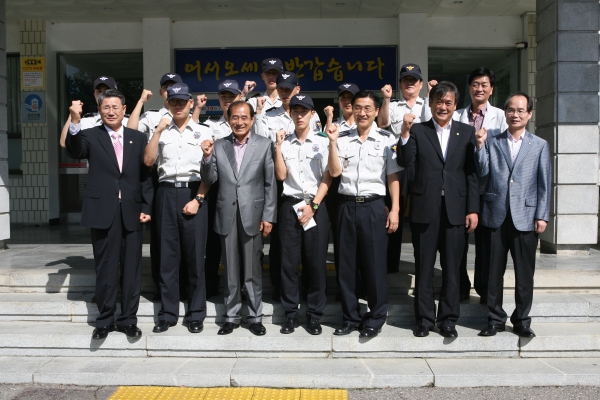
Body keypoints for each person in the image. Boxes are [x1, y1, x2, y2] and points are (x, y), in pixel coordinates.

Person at [65, 89, 152, 340]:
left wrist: (146, 207)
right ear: (100, 110)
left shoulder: (137, 137)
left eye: (115, 107)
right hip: (103, 211)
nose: (111, 111)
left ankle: (128, 320)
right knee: (105, 268)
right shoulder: (90, 135)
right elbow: (75, 150)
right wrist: (74, 120)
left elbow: (145, 176)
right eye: (106, 108)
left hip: (133, 212)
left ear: (125, 110)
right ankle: (104, 320)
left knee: (132, 269)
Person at [397, 81, 479, 338]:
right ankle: (423, 319)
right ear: (429, 103)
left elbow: (471, 174)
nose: (443, 107)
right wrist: (405, 133)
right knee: (423, 267)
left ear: (455, 106)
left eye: (448, 103)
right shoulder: (418, 131)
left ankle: (448, 319)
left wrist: (473, 209)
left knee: (452, 269)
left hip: (456, 209)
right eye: (438, 102)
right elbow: (404, 160)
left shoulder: (466, 133)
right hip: (425, 208)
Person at [425, 68, 508, 303]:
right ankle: (461, 285)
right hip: (460, 190)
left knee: (488, 245)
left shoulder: (501, 117)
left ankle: (485, 289)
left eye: (484, 85)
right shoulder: (457, 114)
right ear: (469, 88)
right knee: (457, 244)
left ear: (491, 88)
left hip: (490, 190)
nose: (479, 89)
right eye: (475, 84)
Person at [475, 92, 551, 338]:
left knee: (524, 273)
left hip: (526, 217)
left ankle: (522, 320)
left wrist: (542, 215)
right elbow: (482, 173)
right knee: (493, 271)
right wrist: (479, 146)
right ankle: (495, 318)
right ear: (504, 113)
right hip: (495, 214)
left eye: (520, 110)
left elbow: (544, 183)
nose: (515, 114)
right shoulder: (492, 141)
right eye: (511, 110)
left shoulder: (539, 145)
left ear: (529, 114)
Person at [326, 90, 401, 339]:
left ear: (376, 111)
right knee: (346, 266)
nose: (362, 113)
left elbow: (393, 177)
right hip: (346, 207)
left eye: (368, 108)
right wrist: (333, 143)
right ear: (352, 109)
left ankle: (376, 317)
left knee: (375, 266)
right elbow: (335, 173)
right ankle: (350, 317)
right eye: (358, 107)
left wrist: (396, 210)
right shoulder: (342, 137)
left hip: (374, 207)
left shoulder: (386, 139)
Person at [200, 101, 277, 336]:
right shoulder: (219, 145)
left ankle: (255, 316)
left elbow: (269, 183)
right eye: (235, 117)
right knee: (231, 270)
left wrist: (269, 216)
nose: (239, 122)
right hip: (226, 214)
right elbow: (209, 178)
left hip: (253, 214)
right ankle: (231, 316)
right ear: (228, 118)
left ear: (252, 120)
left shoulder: (264, 145)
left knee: (253, 270)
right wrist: (205, 157)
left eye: (244, 117)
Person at [144, 83, 212, 334]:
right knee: (167, 258)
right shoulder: (161, 130)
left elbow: (209, 172)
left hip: (194, 192)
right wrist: (158, 132)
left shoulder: (204, 131)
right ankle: (168, 313)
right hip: (165, 193)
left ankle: (195, 313)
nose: (178, 106)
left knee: (195, 259)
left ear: (191, 103)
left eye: (183, 102)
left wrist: (199, 199)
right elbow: (148, 161)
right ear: (167, 104)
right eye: (174, 102)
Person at [254, 71, 321, 302]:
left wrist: (314, 203)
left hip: (310, 196)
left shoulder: (316, 127)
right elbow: (266, 152)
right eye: (281, 88)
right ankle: (285, 300)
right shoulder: (271, 120)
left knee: (313, 256)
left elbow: (326, 170)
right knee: (284, 254)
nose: (284, 92)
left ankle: (310, 304)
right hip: (282, 192)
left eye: (288, 88)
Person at [127, 72, 193, 302]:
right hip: (157, 179)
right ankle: (160, 285)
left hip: (183, 181)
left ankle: (184, 285)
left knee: (186, 238)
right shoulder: (153, 115)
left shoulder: (188, 113)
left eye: (174, 86)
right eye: (166, 87)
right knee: (161, 240)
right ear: (162, 92)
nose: (170, 91)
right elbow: (131, 132)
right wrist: (140, 102)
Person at [275, 94, 332, 335]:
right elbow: (280, 175)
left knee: (316, 264)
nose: (299, 115)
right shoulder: (284, 143)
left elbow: (328, 176)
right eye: (295, 111)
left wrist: (314, 206)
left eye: (304, 111)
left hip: (315, 206)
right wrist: (277, 147)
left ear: (311, 114)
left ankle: (314, 315)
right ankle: (291, 314)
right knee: (288, 264)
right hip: (290, 206)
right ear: (290, 114)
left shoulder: (323, 141)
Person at [378, 64, 426, 274]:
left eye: (413, 80)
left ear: (420, 84)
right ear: (400, 84)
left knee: (420, 212)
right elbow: (381, 124)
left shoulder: (428, 104)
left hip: (420, 165)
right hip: (397, 164)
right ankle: (390, 263)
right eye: (406, 80)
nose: (409, 83)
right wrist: (386, 99)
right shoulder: (394, 104)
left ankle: (421, 261)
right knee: (394, 210)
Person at [323, 83, 359, 299]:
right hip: (338, 190)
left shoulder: (365, 124)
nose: (347, 101)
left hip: (359, 189)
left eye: (351, 97)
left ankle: (361, 284)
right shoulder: (334, 124)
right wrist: (329, 118)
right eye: (343, 97)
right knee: (341, 240)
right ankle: (343, 286)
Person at [60, 76, 128, 148]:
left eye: (107, 90)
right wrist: (73, 114)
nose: (102, 94)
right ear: (94, 94)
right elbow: (64, 143)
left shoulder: (127, 120)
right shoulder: (86, 121)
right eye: (99, 91)